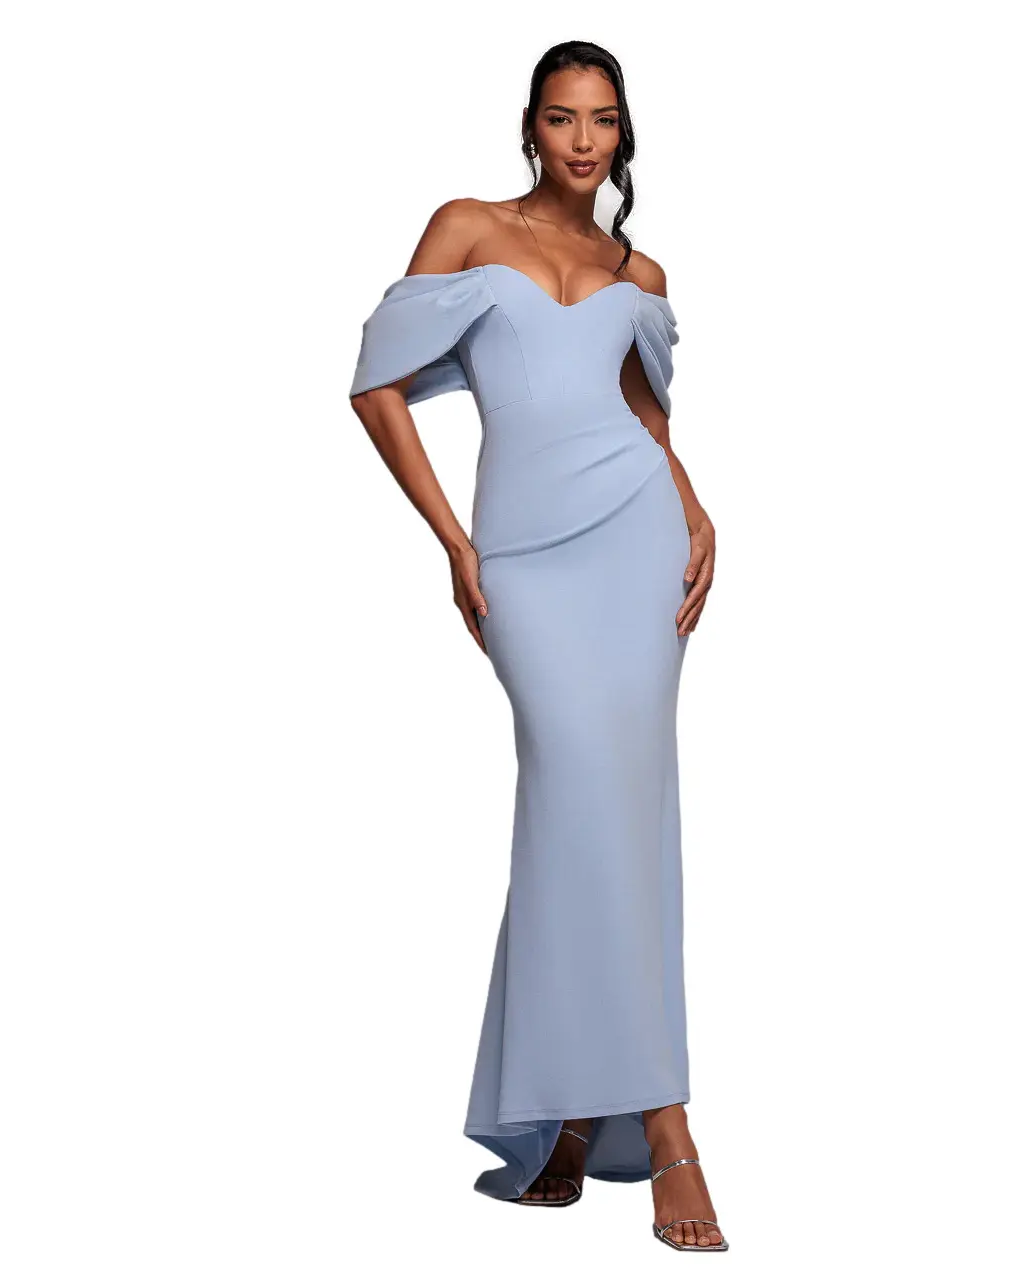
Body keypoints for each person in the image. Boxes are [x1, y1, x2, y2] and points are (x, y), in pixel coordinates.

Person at [348, 41, 726, 1251]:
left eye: (601, 120)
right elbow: (373, 388)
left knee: (617, 818)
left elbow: (644, 418)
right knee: (575, 800)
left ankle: (608, 1117)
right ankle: (635, 1118)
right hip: (521, 555)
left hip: (635, 546)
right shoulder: (465, 226)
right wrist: (454, 542)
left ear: (622, 134)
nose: (581, 141)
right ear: (530, 126)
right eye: (562, 118)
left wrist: (696, 510)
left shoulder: (637, 271)